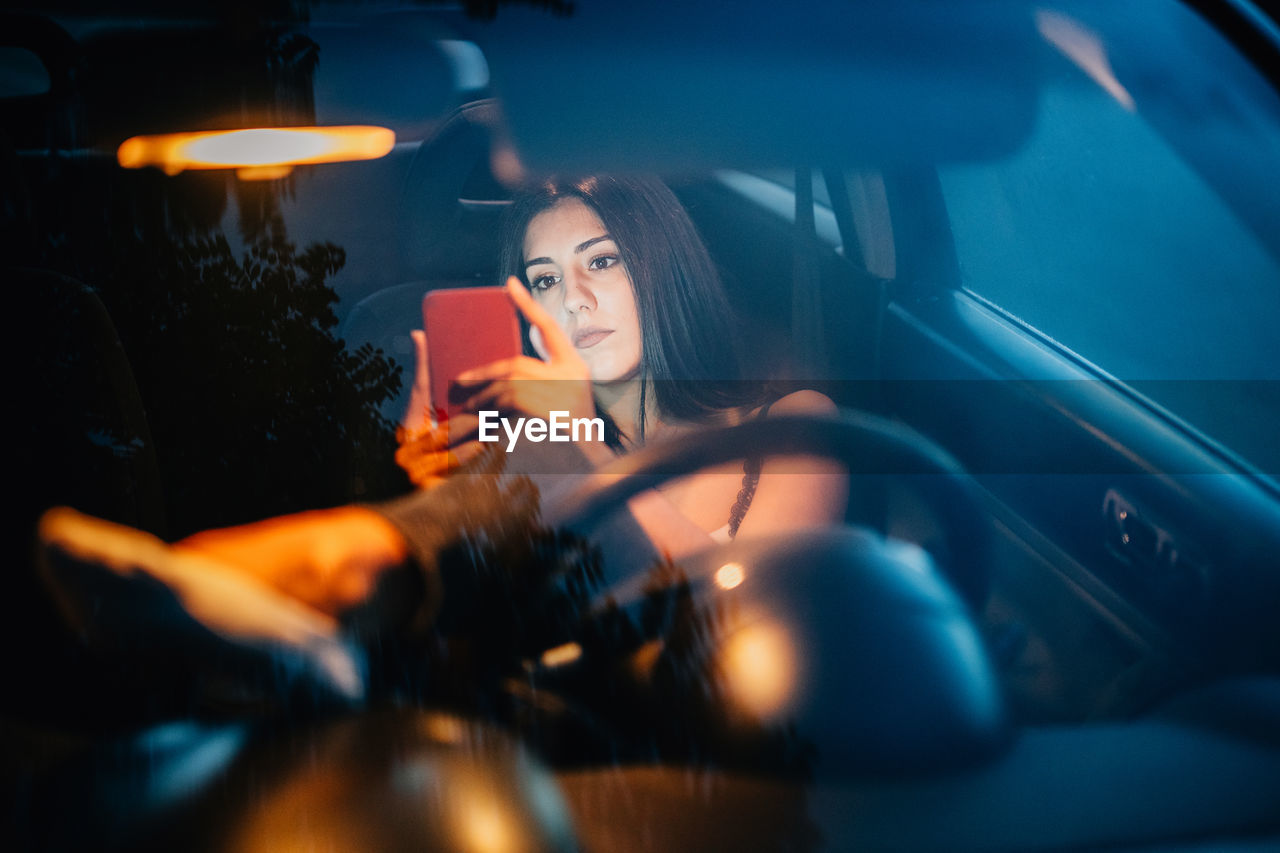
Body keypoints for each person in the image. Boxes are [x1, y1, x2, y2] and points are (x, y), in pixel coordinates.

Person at [37, 175, 847, 663]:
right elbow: (451, 577)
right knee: (390, 539)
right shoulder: (532, 441)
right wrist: (457, 470)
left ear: (660, 267)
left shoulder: (794, 425)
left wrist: (576, 445)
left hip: (724, 734)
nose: (577, 297)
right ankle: (188, 582)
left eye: (602, 261)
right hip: (561, 722)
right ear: (530, 312)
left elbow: (745, 614)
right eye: (545, 278)